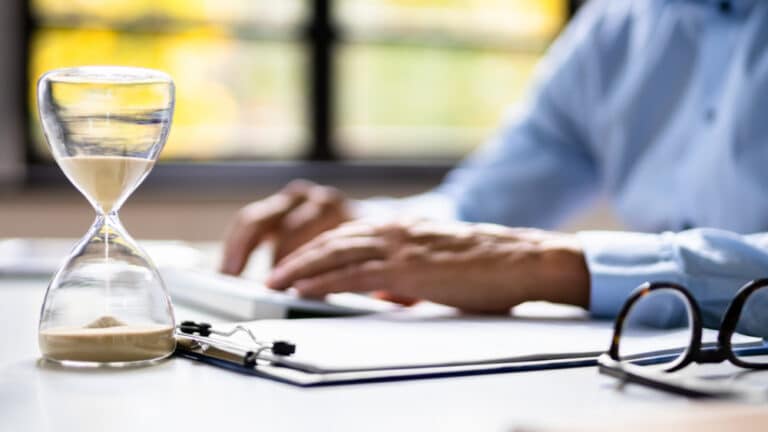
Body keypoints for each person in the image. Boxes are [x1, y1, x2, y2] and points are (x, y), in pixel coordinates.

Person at [220, 0, 768, 336]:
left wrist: (562, 267)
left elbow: (512, 254)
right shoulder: (616, 26)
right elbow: (479, 209)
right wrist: (367, 233)